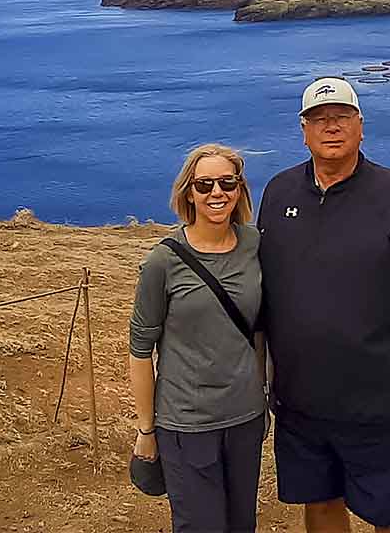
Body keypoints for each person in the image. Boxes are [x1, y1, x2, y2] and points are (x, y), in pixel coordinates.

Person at [257, 77, 390, 533]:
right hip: (298, 400)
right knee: (320, 502)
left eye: (342, 117)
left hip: (377, 402)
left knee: (389, 511)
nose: (331, 127)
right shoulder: (278, 193)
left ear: (361, 126)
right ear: (303, 130)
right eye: (319, 119)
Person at [129, 143, 268, 533]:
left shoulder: (256, 246)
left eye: (227, 182)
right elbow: (140, 350)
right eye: (204, 185)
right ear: (188, 192)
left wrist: (263, 392)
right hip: (186, 425)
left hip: (245, 418)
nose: (216, 193)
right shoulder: (163, 261)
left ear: (240, 189)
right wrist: (146, 430)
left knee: (242, 525)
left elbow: (259, 329)